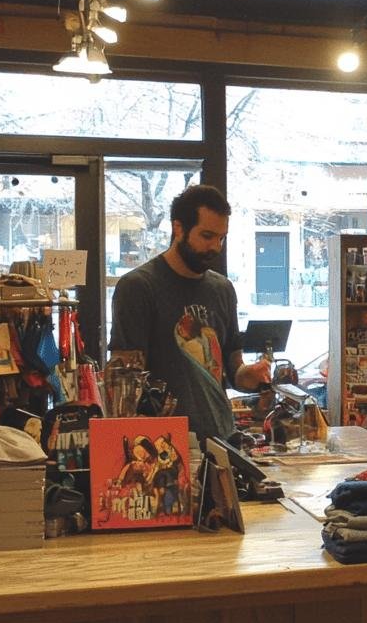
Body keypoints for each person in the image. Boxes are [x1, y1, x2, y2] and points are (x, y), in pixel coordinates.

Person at [108, 185, 270, 444]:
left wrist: (248, 376)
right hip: (164, 444)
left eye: (221, 238)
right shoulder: (138, 287)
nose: (215, 247)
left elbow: (231, 367)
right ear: (178, 228)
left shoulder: (222, 289)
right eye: (207, 236)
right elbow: (125, 383)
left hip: (222, 438)